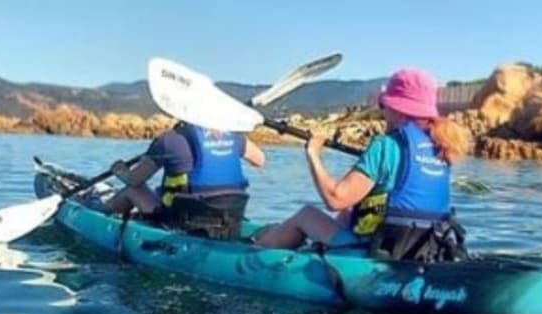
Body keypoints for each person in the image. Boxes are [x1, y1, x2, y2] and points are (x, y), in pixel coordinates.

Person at [255, 68, 468, 259]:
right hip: (426, 246)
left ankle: (252, 254)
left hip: (381, 247)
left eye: (384, 104)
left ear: (398, 108)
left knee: (306, 214)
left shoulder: (385, 145)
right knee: (349, 210)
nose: (383, 110)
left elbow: (334, 199)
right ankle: (317, 249)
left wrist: (313, 155)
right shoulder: (443, 146)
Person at [107, 123, 265, 238]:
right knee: (158, 191)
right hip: (230, 216)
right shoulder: (234, 136)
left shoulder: (169, 140)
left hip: (183, 221)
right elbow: (260, 159)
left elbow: (135, 180)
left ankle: (102, 213)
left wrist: (119, 171)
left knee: (132, 190)